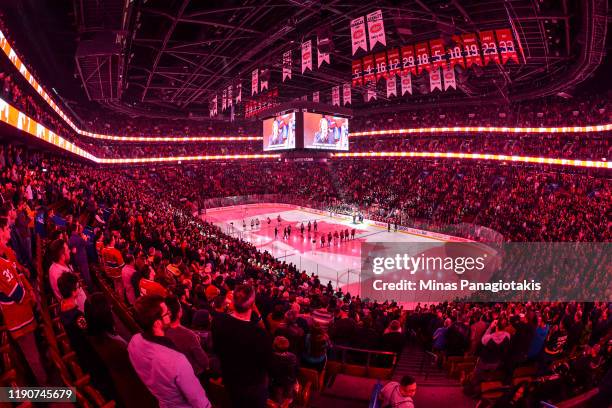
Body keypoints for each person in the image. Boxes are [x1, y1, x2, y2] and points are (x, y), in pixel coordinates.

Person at [128, 295, 212, 408]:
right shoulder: (177, 361)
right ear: (157, 323)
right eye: (167, 313)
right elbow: (198, 399)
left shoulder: (134, 342)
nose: (170, 314)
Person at [84, 293, 157, 408]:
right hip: (136, 391)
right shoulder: (115, 347)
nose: (111, 308)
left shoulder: (94, 336)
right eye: (109, 307)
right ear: (105, 314)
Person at [0, 210, 47, 385]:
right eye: (5, 228)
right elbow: (18, 294)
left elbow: (19, 277)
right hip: (20, 320)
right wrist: (30, 294)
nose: (8, 231)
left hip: (25, 316)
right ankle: (48, 393)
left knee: (35, 352)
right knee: (32, 357)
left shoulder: (6, 254)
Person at [211, 285, 273, 408]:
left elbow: (217, 349)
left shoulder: (218, 321)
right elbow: (267, 364)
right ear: (252, 304)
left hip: (228, 377)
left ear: (233, 302)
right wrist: (258, 313)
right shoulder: (260, 335)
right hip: (251, 388)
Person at [164, 295, 209, 379]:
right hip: (192, 374)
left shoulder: (159, 330)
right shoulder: (188, 335)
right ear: (179, 312)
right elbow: (204, 361)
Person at [48, 238, 86, 310]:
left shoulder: (56, 266)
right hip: (78, 308)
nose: (69, 251)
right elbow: (69, 297)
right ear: (62, 255)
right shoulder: (59, 274)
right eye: (67, 249)